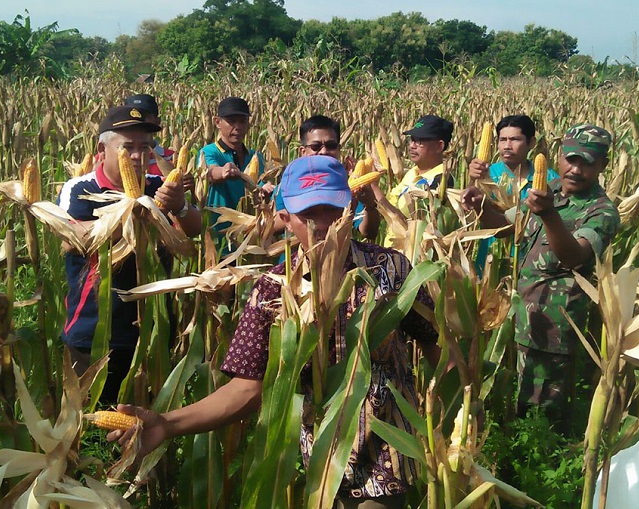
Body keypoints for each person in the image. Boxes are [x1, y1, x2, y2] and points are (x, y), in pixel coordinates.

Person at [109, 155, 440, 507]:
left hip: (387, 460)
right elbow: (246, 388)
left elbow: (436, 340)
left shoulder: (390, 268)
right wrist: (167, 423)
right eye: (309, 216)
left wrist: (457, 406)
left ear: (351, 205)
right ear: (285, 219)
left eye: (333, 210)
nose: (325, 225)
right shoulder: (273, 290)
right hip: (320, 468)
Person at [461, 123, 620, 433]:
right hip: (520, 320)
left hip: (554, 332)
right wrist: (480, 204)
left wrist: (549, 215)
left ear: (603, 165)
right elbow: (509, 226)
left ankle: (538, 471)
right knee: (514, 406)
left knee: (542, 422)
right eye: (571, 159)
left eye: (587, 162)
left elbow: (573, 255)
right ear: (559, 157)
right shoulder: (549, 192)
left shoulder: (601, 212)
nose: (575, 169)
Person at [57, 105, 202, 402]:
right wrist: (130, 215)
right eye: (128, 148)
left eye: (145, 147)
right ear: (102, 149)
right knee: (88, 421)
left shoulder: (157, 186)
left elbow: (193, 230)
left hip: (153, 326)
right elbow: (70, 239)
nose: (138, 156)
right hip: (94, 328)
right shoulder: (81, 189)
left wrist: (179, 205)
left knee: (146, 418)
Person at [468, 115, 558, 274]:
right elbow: (467, 209)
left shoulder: (550, 180)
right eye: (502, 140)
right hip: (490, 262)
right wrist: (472, 180)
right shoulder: (487, 175)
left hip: (531, 266)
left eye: (515, 139)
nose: (507, 146)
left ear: (531, 143)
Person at [273, 114, 381, 240]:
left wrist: (370, 205)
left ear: (339, 149)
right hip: (296, 256)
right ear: (302, 152)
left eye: (331, 145)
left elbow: (368, 232)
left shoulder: (345, 184)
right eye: (315, 146)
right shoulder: (289, 183)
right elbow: (273, 226)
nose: (324, 151)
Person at [198, 96, 274, 253]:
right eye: (232, 121)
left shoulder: (255, 157)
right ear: (217, 122)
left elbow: (256, 185)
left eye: (242, 121)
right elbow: (210, 172)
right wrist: (224, 171)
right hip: (219, 238)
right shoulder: (209, 152)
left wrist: (265, 189)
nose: (238, 127)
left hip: (250, 236)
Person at [371, 114, 454, 246]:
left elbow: (414, 224)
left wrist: (374, 188)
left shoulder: (441, 180)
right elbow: (392, 201)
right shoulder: (412, 172)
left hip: (415, 260)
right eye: (411, 140)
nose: (411, 146)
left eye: (419, 141)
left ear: (439, 146)